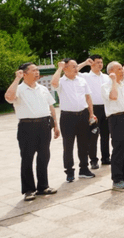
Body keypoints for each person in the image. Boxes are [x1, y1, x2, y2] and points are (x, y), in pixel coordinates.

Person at [5, 63, 60, 201]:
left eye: (37, 70)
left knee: (44, 156)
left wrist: (56, 125)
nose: (37, 72)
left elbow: (51, 107)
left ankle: (43, 186)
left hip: (44, 125)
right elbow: (9, 97)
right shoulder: (19, 89)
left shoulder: (42, 89)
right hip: (27, 127)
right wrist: (17, 79)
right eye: (34, 70)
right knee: (27, 159)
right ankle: (29, 190)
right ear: (24, 73)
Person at [51, 59, 96, 182]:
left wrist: (91, 113)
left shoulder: (82, 80)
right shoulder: (61, 82)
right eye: (73, 67)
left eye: (77, 66)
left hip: (83, 115)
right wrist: (59, 68)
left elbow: (88, 97)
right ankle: (69, 171)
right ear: (65, 68)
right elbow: (53, 83)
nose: (76, 69)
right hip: (68, 117)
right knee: (68, 146)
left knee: (83, 144)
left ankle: (84, 169)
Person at [101, 61, 124, 189]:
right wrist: (113, 82)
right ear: (111, 72)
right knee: (118, 149)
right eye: (119, 69)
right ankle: (117, 178)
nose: (122, 71)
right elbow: (113, 96)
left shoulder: (122, 84)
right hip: (116, 118)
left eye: (121, 69)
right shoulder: (107, 85)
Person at [78, 55, 111, 168]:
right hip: (93, 109)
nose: (100, 64)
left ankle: (106, 157)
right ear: (92, 63)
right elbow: (72, 71)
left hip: (106, 108)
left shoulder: (106, 77)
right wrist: (85, 63)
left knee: (106, 135)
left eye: (101, 62)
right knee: (93, 135)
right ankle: (93, 159)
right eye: (97, 62)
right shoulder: (85, 76)